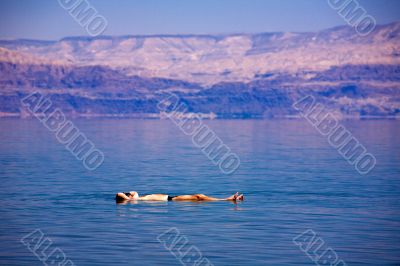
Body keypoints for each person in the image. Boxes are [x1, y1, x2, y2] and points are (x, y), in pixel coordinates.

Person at [116, 191, 244, 202]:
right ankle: (227, 200)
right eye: (130, 194)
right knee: (199, 197)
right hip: (171, 200)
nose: (132, 192)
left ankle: (228, 199)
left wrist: (130, 195)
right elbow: (118, 194)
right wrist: (129, 198)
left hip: (171, 198)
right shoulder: (135, 200)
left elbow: (134, 191)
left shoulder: (138, 198)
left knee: (199, 198)